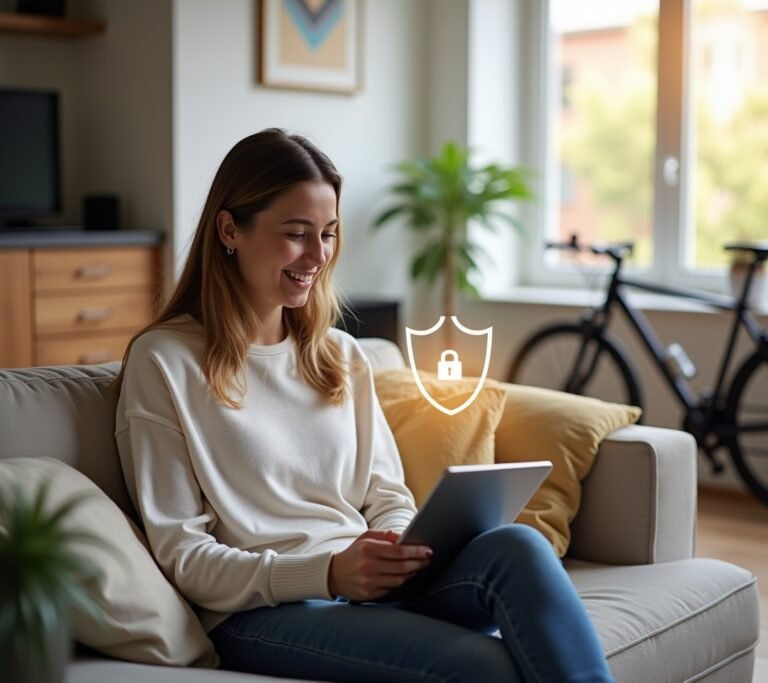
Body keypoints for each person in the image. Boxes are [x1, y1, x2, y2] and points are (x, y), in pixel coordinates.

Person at [113, 128, 614, 683]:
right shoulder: (164, 361)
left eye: (328, 234)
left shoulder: (340, 355)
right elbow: (183, 556)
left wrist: (398, 546)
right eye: (297, 234)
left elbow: (387, 494)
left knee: (516, 544)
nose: (318, 255)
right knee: (484, 667)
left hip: (368, 585)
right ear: (230, 229)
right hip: (260, 612)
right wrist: (326, 574)